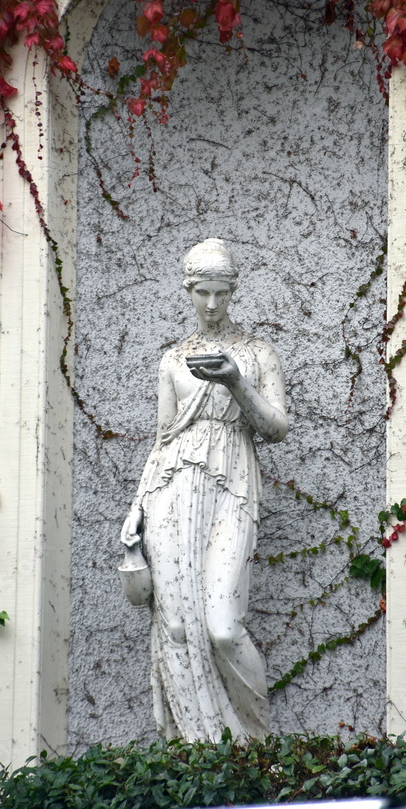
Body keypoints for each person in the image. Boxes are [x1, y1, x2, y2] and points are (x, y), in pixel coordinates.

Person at [121, 238, 288, 742]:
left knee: (222, 628)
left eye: (221, 293)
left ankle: (256, 751)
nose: (212, 305)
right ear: (188, 291)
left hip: (231, 487)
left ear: (233, 290)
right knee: (175, 628)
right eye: (202, 293)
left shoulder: (258, 354)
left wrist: (238, 383)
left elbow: (277, 428)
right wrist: (137, 509)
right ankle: (193, 756)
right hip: (171, 490)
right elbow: (162, 438)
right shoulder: (172, 360)